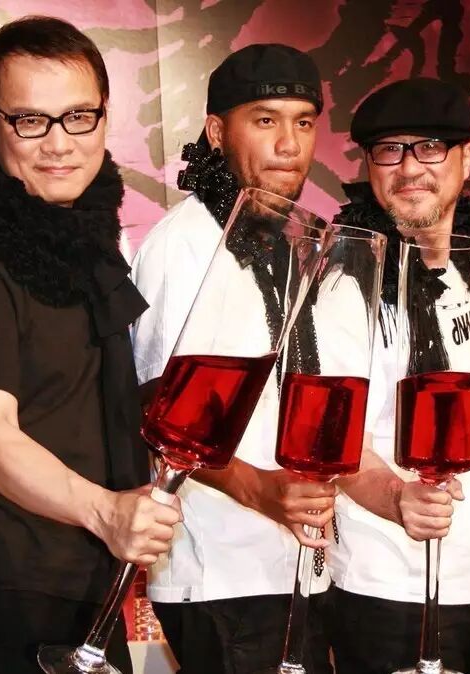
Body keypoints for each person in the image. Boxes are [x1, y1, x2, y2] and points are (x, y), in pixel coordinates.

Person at [0, 17, 181, 674]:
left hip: (87, 590)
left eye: (78, 117)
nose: (60, 144)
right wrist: (107, 511)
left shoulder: (87, 249)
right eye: (31, 121)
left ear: (105, 116)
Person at [129, 44, 335, 674]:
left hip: (296, 565)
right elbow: (160, 416)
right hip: (220, 571)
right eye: (265, 120)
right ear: (217, 132)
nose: (289, 145)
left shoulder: (285, 239)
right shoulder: (185, 244)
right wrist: (262, 492)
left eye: (303, 122)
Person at [326, 77, 470, 674]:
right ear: (370, 166)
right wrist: (397, 498)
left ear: (465, 158)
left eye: (430, 147)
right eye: (390, 150)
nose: (410, 167)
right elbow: (335, 441)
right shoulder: (347, 285)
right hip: (388, 587)